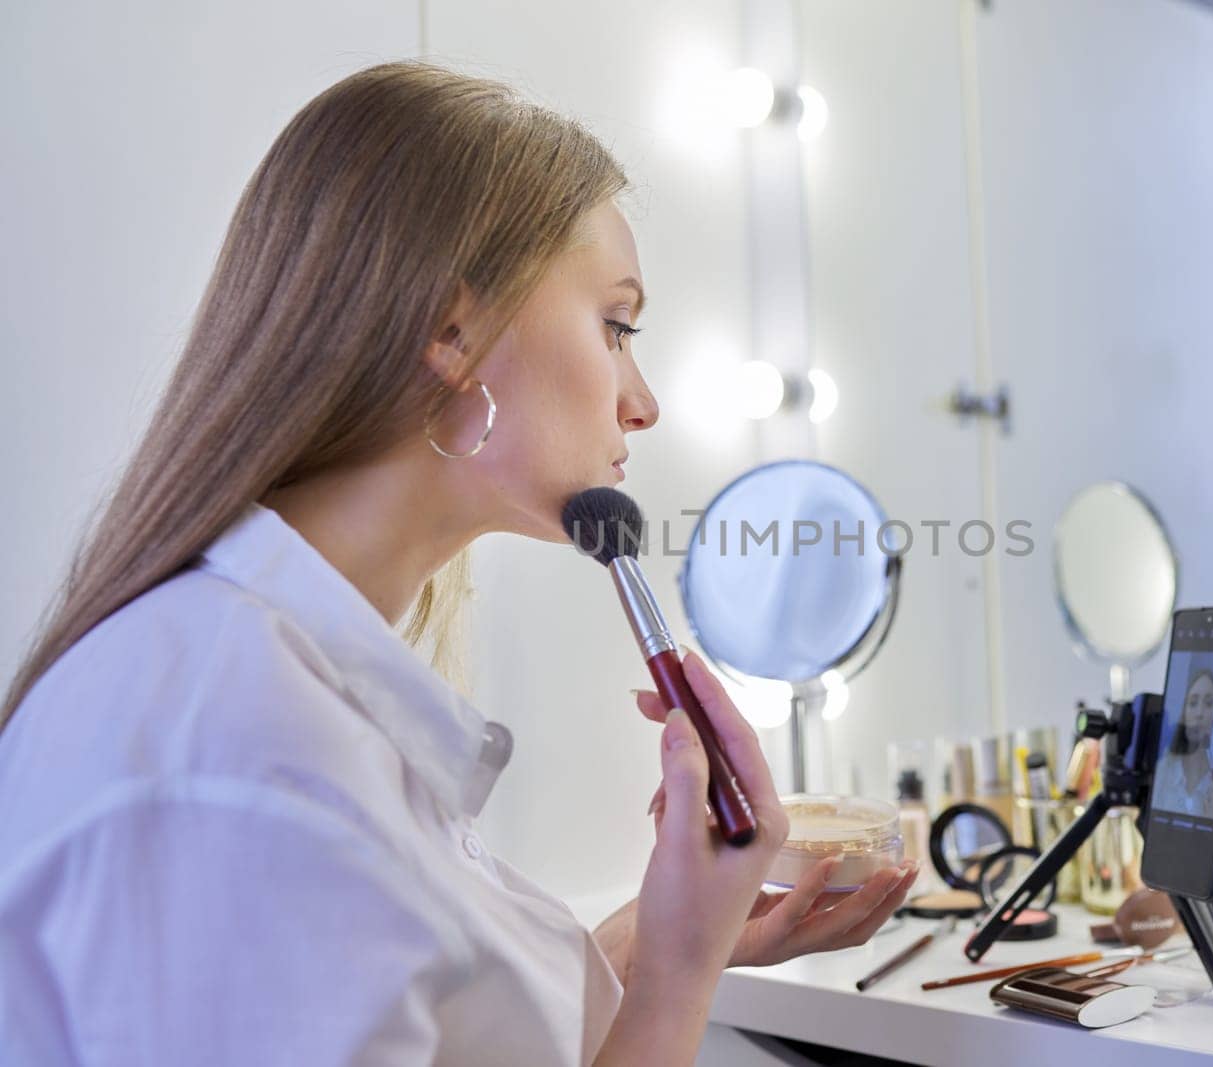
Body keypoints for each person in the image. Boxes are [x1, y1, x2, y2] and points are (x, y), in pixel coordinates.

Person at [0, 63, 915, 1065]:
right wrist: (680, 971)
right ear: (451, 329)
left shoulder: (286, 701)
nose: (641, 400)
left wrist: (660, 939)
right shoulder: (243, 759)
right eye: (615, 325)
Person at [1153, 668, 1213, 818]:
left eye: (1209, 703)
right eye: (1193, 703)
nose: (1200, 713)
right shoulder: (1162, 771)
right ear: (1183, 713)